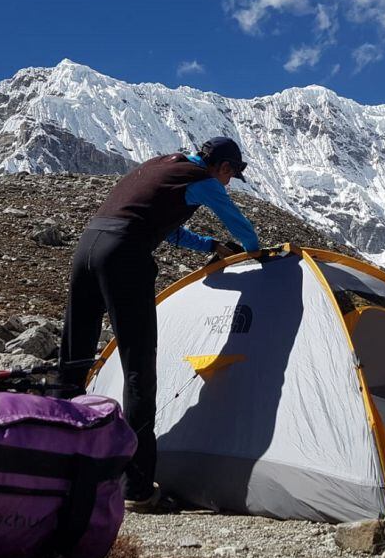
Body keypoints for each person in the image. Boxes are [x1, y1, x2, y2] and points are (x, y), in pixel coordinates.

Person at [58, 136, 260, 511]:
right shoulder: (205, 179)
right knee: (138, 368)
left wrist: (208, 246)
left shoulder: (159, 166)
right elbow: (236, 219)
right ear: (226, 167)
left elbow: (162, 226)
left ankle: (54, 464)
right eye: (230, 176)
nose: (227, 184)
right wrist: (256, 252)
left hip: (87, 249)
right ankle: (136, 487)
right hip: (123, 256)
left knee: (74, 360)